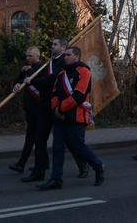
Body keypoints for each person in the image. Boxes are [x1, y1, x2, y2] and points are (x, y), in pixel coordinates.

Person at [36, 46, 105, 190]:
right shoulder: (61, 73)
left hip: (76, 116)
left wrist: (61, 108)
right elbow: (54, 93)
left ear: (77, 56)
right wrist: (55, 108)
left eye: (68, 55)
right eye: (65, 55)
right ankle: (56, 179)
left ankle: (98, 167)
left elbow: (79, 95)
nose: (65, 57)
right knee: (57, 148)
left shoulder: (84, 71)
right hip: (60, 118)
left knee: (79, 146)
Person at [28, 37, 88, 182]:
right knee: (40, 138)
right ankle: (39, 171)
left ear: (63, 48)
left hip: (60, 107)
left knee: (70, 140)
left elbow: (52, 79)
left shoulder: (64, 62)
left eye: (55, 44)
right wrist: (25, 77)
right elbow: (41, 75)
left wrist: (32, 81)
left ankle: (83, 165)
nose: (52, 46)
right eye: (52, 44)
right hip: (45, 105)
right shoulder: (50, 62)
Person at [9, 46, 46, 178]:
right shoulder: (27, 68)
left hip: (39, 107)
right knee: (36, 137)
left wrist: (29, 70)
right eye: (26, 56)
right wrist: (18, 81)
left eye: (30, 56)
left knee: (32, 137)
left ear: (37, 56)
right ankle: (43, 163)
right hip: (29, 106)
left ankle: (21, 164)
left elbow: (38, 81)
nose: (27, 58)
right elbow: (21, 81)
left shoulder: (42, 67)